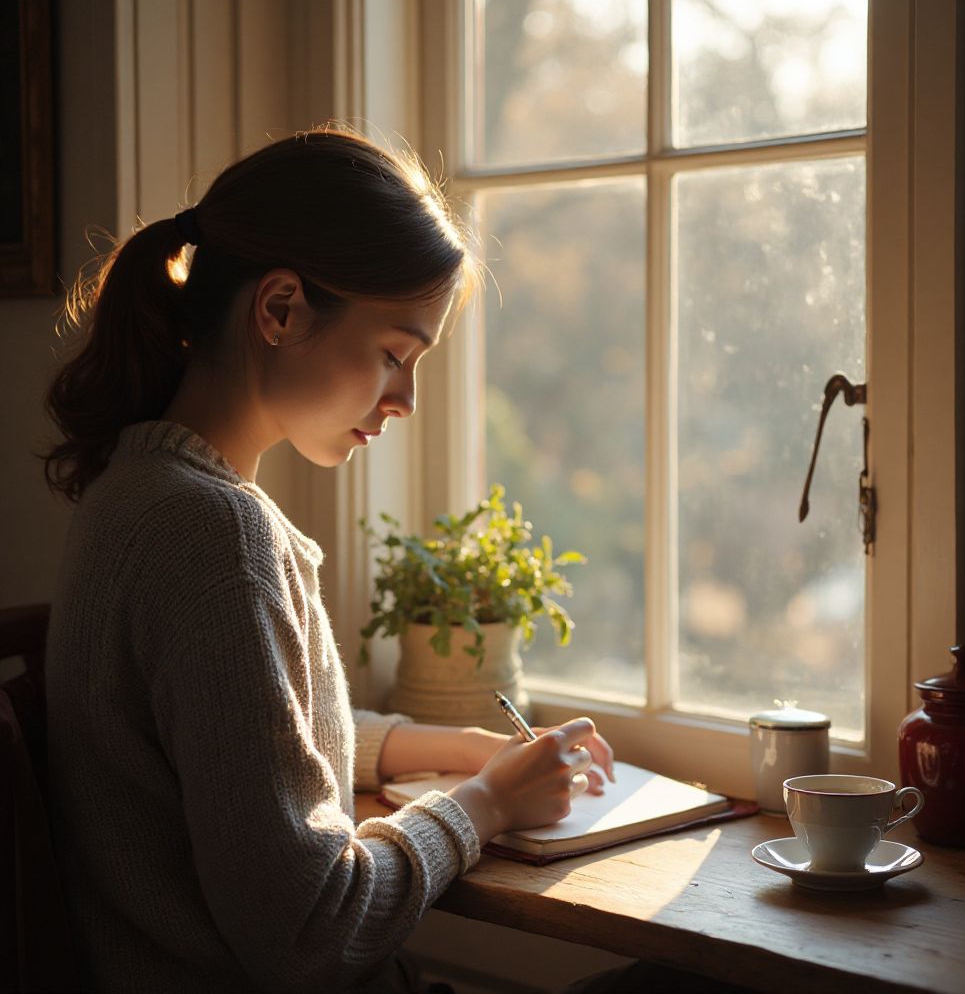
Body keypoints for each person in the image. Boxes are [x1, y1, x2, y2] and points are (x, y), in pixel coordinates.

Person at [42, 127, 614, 994]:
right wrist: (487, 804)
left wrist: (445, 747)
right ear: (279, 309)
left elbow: (232, 751)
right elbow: (312, 930)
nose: (407, 400)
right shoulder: (214, 538)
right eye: (395, 354)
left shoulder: (136, 493)